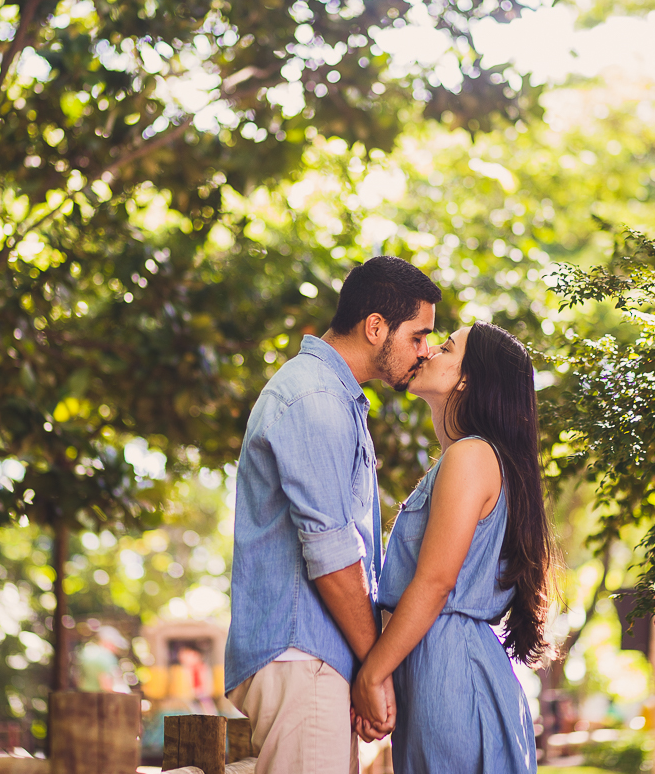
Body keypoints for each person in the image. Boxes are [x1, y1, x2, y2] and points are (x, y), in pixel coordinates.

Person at [225, 256, 443, 774]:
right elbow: (331, 554)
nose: (426, 350)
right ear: (375, 328)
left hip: (313, 661)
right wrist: (376, 668)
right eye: (418, 335)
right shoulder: (316, 396)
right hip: (301, 657)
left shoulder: (332, 394)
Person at [350, 322, 554, 774]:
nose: (427, 352)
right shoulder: (470, 457)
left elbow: (436, 582)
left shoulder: (472, 455)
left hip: (451, 672)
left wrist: (371, 675)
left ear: (468, 379)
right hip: (441, 666)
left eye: (446, 347)